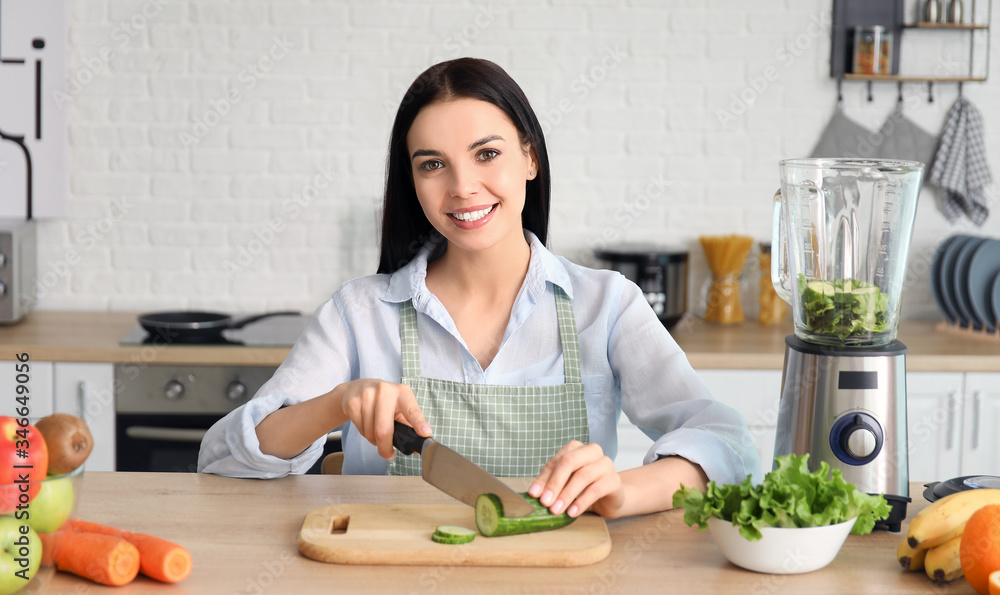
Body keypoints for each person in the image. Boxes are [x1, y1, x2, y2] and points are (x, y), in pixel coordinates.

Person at [198, 57, 760, 520]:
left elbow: (728, 442)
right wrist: (335, 405)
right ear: (412, 182)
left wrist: (623, 492)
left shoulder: (605, 305)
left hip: (558, 577)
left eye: (486, 154)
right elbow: (222, 459)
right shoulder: (358, 313)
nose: (463, 187)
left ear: (529, 158)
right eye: (432, 164)